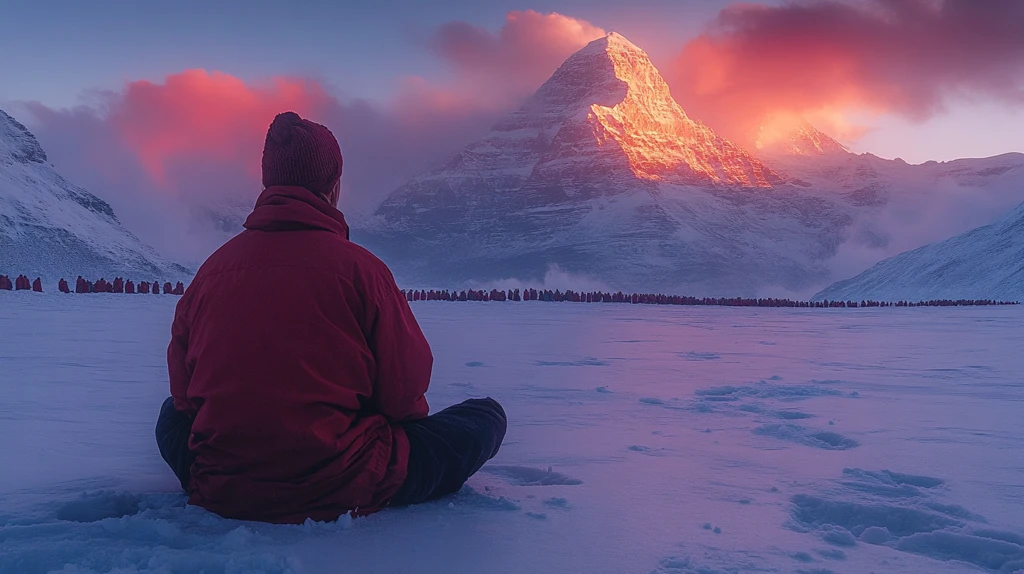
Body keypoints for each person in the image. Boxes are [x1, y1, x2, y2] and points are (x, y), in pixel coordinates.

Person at [155, 111, 506, 525]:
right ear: (334, 185)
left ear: (268, 182)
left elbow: (184, 397)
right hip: (345, 482)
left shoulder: (212, 271)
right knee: (486, 416)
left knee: (169, 416)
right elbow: (404, 395)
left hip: (222, 484)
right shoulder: (362, 271)